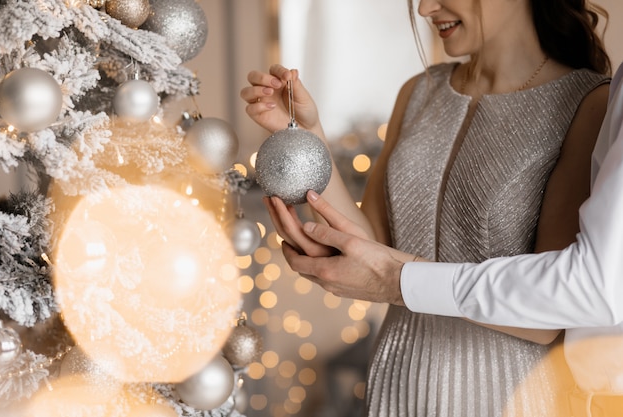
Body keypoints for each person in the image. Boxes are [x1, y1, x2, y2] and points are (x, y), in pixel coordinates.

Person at [241, 0, 611, 415]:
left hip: (511, 397)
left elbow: (545, 318)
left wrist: (391, 277)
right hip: (397, 383)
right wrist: (311, 137)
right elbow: (371, 245)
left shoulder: (589, 105)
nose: (424, 8)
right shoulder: (418, 91)